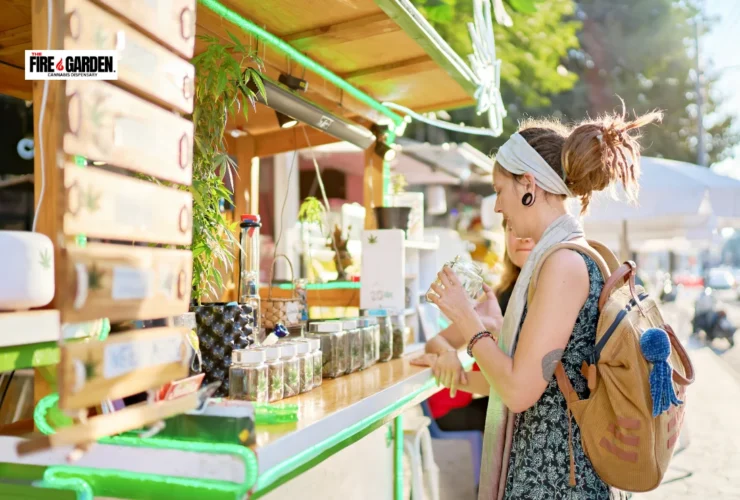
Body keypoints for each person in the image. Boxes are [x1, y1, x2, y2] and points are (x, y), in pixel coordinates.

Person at [428, 111, 660, 499]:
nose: (498, 207)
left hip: (556, 480)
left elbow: (519, 392)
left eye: (500, 190)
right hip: (556, 471)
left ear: (528, 186)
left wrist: (468, 321)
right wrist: (495, 331)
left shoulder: (562, 263)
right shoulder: (568, 256)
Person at [411, 219, 533, 433]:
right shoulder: (496, 296)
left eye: (529, 226)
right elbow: (437, 341)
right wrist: (447, 353)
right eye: (511, 228)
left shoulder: (551, 297)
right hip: (500, 407)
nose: (522, 236)